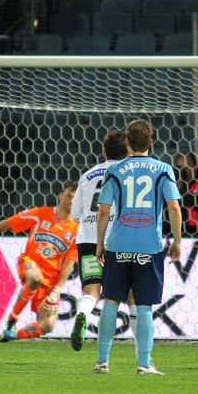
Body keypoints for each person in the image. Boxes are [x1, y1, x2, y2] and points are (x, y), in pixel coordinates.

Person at [94, 119, 182, 376]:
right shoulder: (164, 169)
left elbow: (103, 210)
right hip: (149, 246)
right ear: (151, 142)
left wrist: (100, 243)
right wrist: (176, 241)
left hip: (119, 243)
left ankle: (102, 362)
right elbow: (174, 207)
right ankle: (144, 364)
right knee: (144, 304)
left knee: (111, 300)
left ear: (127, 143)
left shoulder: (115, 170)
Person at [0, 181, 79, 342]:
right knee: (35, 278)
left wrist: (56, 290)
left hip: (50, 281)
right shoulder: (40, 213)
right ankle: (12, 321)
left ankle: (8, 336)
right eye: (68, 195)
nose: (71, 200)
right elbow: (8, 224)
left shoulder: (76, 230)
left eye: (76, 197)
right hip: (30, 263)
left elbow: (69, 264)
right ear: (60, 196)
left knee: (47, 325)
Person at [70, 129, 139, 352]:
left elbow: (74, 214)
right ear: (128, 150)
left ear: (103, 152)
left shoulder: (86, 175)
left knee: (92, 292)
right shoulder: (127, 174)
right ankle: (143, 355)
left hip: (87, 240)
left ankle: (82, 313)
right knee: (131, 297)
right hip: (116, 241)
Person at [174, 152, 198, 233]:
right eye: (180, 168)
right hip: (181, 231)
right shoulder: (175, 184)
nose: (183, 172)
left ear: (195, 168)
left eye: (186, 168)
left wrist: (182, 189)